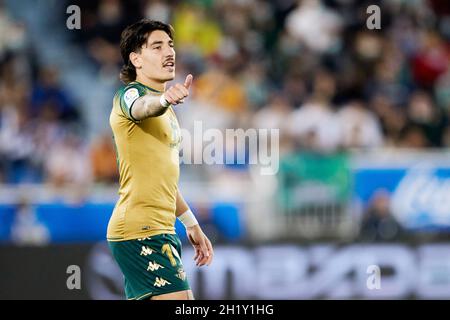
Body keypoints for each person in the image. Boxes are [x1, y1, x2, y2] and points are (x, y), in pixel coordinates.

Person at [107, 19, 213, 300]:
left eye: (170, 45)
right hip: (141, 228)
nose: (169, 52)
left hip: (159, 227)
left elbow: (164, 178)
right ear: (136, 59)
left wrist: (191, 224)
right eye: (157, 46)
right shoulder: (130, 94)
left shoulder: (168, 112)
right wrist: (164, 100)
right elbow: (142, 107)